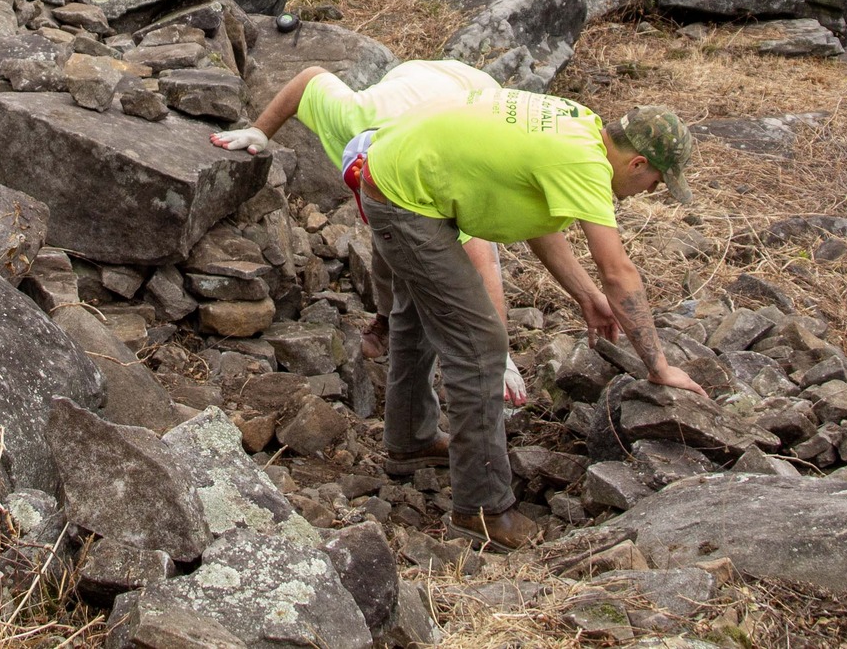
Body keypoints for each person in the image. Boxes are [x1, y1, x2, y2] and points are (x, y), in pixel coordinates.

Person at [219, 66, 699, 551]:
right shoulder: (586, 163)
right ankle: (484, 508)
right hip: (404, 196)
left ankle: (409, 442)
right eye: (657, 182)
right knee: (480, 345)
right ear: (637, 163)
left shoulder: (581, 128)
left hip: (404, 175)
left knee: (414, 315)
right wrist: (658, 367)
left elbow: (540, 221)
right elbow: (619, 273)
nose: (652, 192)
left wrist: (583, 295)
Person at [217, 60, 529, 406]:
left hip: (479, 101)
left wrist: (501, 357)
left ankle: (414, 335)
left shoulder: (452, 173)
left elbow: (486, 264)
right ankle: (387, 318)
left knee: (442, 248)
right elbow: (309, 78)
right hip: (415, 87)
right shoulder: (352, 118)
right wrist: (260, 131)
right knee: (390, 236)